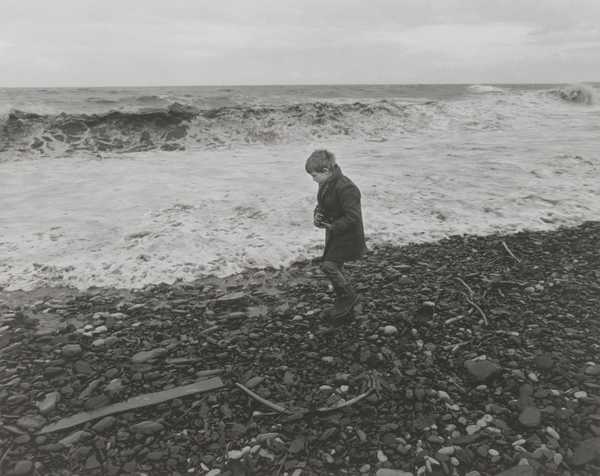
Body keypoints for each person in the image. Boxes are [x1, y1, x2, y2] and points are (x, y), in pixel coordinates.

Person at [305, 149, 367, 320]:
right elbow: (322, 204)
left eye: (314, 175)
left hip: (347, 234)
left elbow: (353, 216)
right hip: (333, 232)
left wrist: (334, 226)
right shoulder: (326, 183)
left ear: (326, 171)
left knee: (328, 265)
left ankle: (348, 297)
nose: (313, 179)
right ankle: (343, 296)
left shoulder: (347, 187)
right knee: (335, 265)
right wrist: (317, 215)